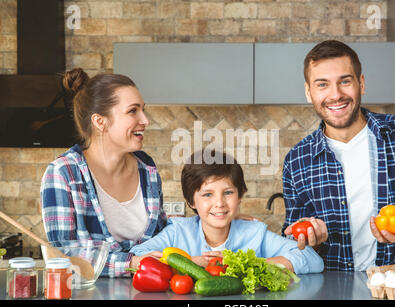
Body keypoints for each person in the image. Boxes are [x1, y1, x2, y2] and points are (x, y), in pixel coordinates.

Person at [282, 40, 395, 271]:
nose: (336, 94)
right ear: (308, 92)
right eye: (322, 84)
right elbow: (296, 237)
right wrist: (310, 237)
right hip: (334, 290)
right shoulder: (297, 159)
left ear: (361, 83)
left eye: (345, 81)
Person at [40, 68, 167, 277]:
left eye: (143, 110)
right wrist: (132, 262)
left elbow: (162, 237)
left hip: (151, 290)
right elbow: (64, 255)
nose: (145, 120)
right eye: (133, 111)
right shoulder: (64, 173)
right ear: (100, 122)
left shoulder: (147, 168)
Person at [129, 150, 324, 275]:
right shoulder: (178, 231)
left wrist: (252, 264)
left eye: (228, 192)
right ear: (191, 201)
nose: (219, 203)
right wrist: (191, 262)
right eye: (207, 194)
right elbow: (137, 255)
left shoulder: (255, 233)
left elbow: (312, 260)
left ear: (240, 196)